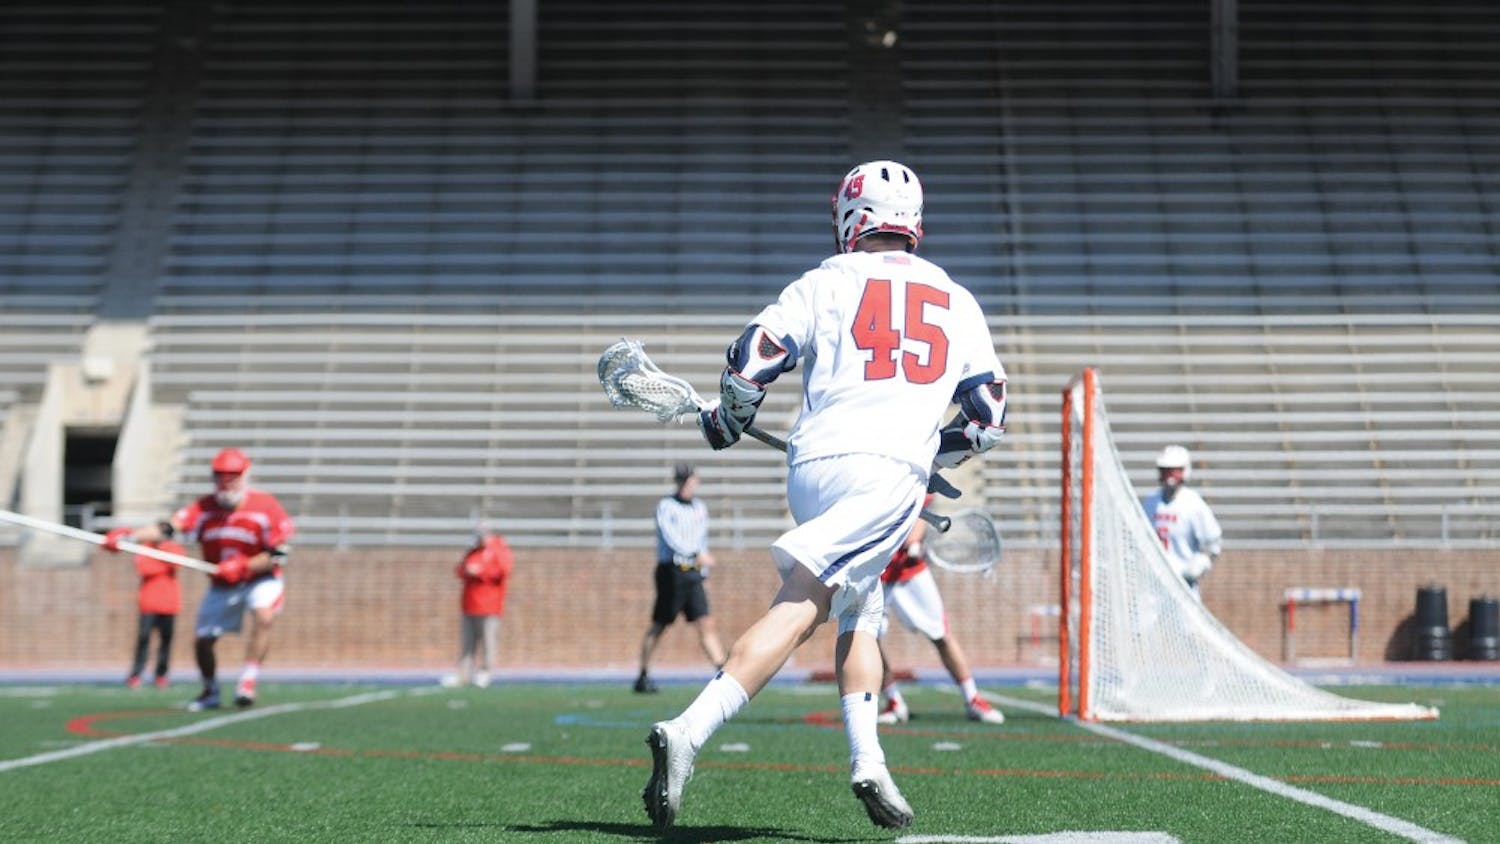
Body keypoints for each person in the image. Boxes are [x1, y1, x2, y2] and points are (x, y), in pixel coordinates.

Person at [642, 160, 1008, 832]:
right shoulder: (954, 296)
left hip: (813, 466)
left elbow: (749, 359)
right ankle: (689, 731)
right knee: (805, 603)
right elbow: (988, 414)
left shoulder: (824, 280)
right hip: (887, 472)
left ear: (850, 215)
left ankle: (869, 760)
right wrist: (935, 452)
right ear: (913, 221)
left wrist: (726, 420)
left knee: (861, 610)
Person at [103, 447, 295, 711]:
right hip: (222, 584)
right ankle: (210, 691)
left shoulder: (266, 507)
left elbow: (279, 554)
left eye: (233, 476)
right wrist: (129, 537)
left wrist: (244, 565)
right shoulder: (204, 507)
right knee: (203, 640)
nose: (226, 482)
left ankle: (248, 681)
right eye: (221, 476)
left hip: (259, 579)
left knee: (264, 616)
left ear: (245, 475)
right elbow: (167, 528)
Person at [873, 494, 1004, 725]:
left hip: (907, 570)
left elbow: (920, 506)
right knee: (867, 640)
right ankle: (894, 701)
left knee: (941, 635)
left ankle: (972, 698)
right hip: (873, 571)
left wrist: (913, 543)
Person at [634, 462, 726, 694]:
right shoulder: (666, 506)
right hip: (672, 572)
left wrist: (702, 570)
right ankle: (643, 674)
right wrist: (695, 554)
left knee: (706, 622)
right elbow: (671, 538)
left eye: (690, 479)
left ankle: (723, 674)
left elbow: (702, 540)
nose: (687, 483)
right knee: (661, 624)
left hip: (693, 573)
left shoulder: (699, 508)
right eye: (683, 479)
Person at [1141, 445, 1222, 599]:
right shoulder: (1150, 503)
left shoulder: (1193, 504)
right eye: (1165, 470)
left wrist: (1201, 562)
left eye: (1174, 470)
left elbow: (1213, 543)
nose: (1169, 476)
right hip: (1153, 589)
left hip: (1183, 589)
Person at [442, 528, 514, 688]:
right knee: (467, 643)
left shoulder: (499, 550)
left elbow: (503, 571)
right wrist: (467, 571)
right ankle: (463, 674)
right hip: (469, 604)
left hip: (489, 606)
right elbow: (460, 570)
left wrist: (481, 572)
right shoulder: (473, 551)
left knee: (488, 641)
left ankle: (485, 672)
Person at [124, 538, 185, 690]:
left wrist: (159, 559)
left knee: (166, 642)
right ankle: (136, 674)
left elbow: (177, 563)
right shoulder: (145, 547)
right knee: (143, 640)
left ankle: (161, 675)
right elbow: (144, 568)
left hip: (169, 604)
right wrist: (163, 563)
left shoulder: (173, 547)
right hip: (149, 604)